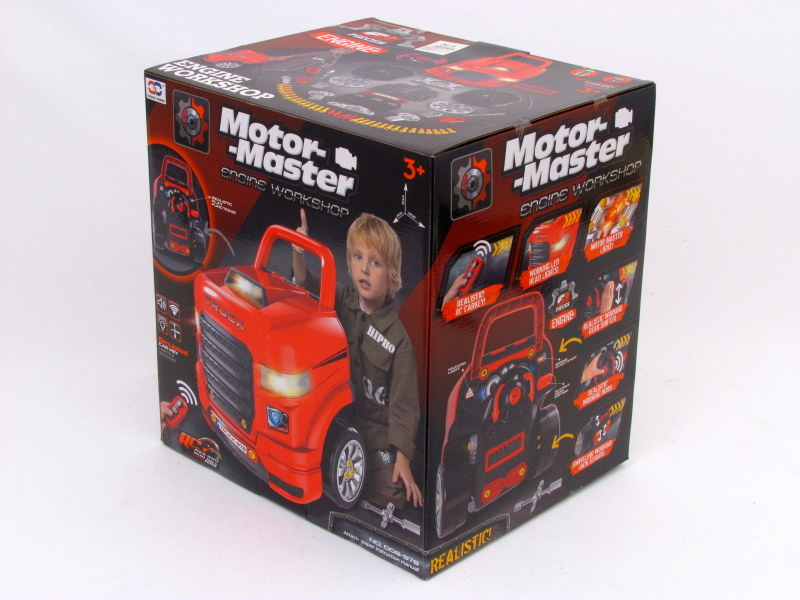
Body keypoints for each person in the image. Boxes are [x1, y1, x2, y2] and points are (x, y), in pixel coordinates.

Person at [292, 209, 423, 509]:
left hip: (373, 429)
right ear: (349, 262)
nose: (364, 269)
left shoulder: (399, 341)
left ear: (391, 275)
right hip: (331, 414)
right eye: (358, 257)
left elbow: (404, 406)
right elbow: (305, 283)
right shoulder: (340, 298)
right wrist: (299, 253)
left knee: (393, 491)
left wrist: (403, 458)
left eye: (376, 263)